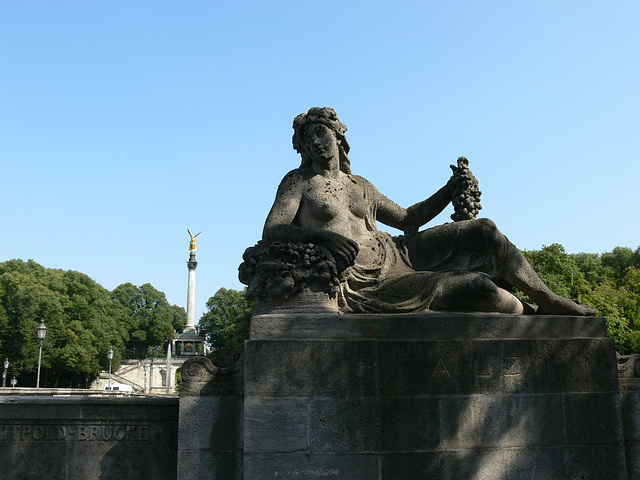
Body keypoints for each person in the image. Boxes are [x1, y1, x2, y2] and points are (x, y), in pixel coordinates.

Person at [261, 107, 596, 316]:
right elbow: (273, 228)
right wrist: (322, 238)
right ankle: (530, 312)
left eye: (321, 132)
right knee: (479, 287)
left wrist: (449, 190)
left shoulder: (360, 183)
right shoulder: (298, 181)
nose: (315, 141)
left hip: (398, 251)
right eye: (308, 138)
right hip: (366, 282)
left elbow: (409, 219)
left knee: (485, 230)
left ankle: (549, 299)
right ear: (302, 147)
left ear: (337, 137)